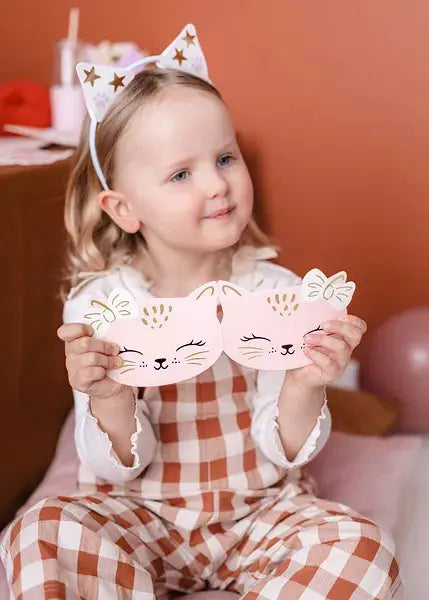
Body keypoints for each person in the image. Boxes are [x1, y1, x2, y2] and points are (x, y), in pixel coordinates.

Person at [0, 25, 402, 600]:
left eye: (225, 158)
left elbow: (283, 449)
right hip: (141, 516)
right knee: (40, 531)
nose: (218, 184)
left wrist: (305, 385)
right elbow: (116, 466)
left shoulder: (273, 291)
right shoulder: (103, 306)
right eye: (182, 174)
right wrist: (109, 398)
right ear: (124, 208)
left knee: (363, 547)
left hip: (260, 513)